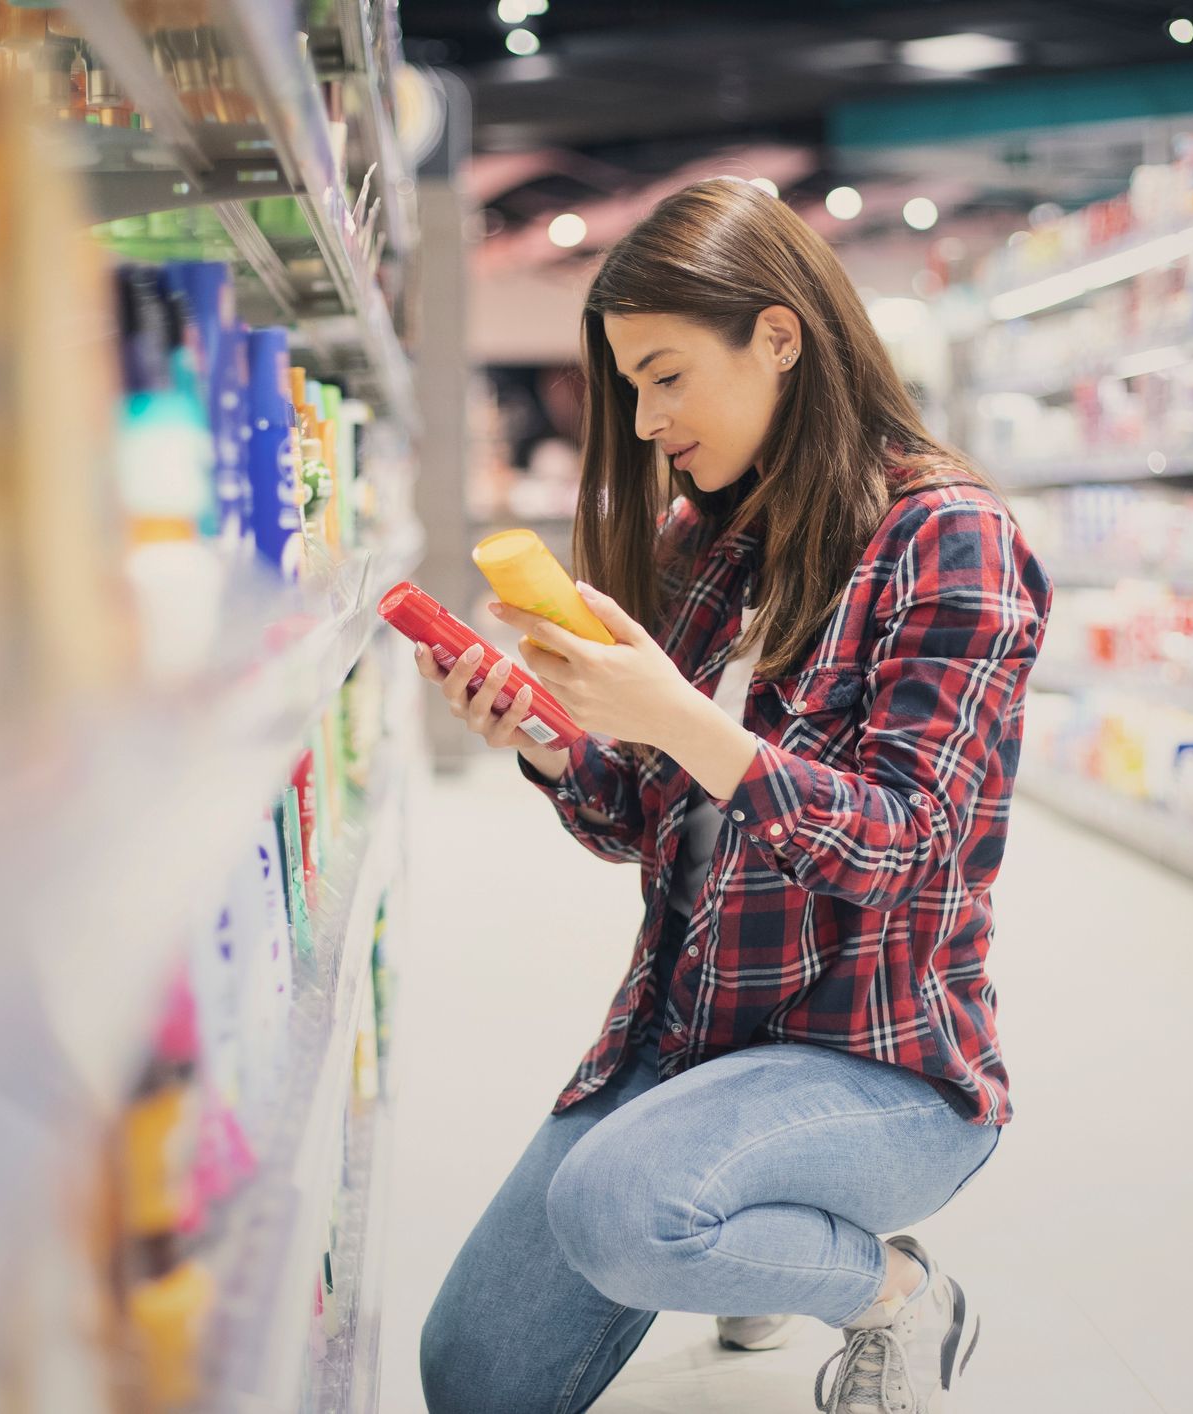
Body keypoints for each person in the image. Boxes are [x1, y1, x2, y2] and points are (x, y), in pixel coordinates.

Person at [414, 177, 1051, 1414]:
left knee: (618, 1205)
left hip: (880, 1064)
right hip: (690, 1034)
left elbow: (906, 847)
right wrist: (551, 743)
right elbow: (641, 820)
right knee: (474, 1381)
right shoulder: (704, 543)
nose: (646, 419)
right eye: (629, 386)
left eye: (666, 376)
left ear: (777, 336)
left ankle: (892, 1290)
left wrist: (683, 720)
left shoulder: (949, 538)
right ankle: (746, 1229)